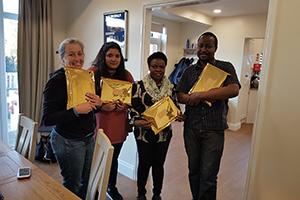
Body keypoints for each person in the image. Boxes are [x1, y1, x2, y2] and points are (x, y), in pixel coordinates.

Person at [176, 32, 241, 200]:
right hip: (191, 128)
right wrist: (189, 98)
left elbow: (234, 89)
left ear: (215, 48)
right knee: (194, 171)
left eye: (208, 46)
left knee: (209, 176)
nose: (204, 49)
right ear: (197, 47)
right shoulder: (189, 71)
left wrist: (202, 95)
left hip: (214, 129)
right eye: (201, 46)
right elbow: (180, 94)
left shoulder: (225, 68)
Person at [42, 38, 102, 199]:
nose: (77, 59)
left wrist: (98, 104)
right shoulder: (56, 81)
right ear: (62, 58)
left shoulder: (87, 76)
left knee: (86, 180)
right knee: (72, 184)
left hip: (88, 137)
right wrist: (75, 110)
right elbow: (47, 119)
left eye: (80, 53)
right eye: (71, 54)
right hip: (68, 140)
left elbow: (90, 110)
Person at [130, 52, 182, 200]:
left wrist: (178, 115)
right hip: (143, 134)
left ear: (165, 67)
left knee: (159, 165)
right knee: (144, 164)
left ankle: (157, 194)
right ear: (149, 67)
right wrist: (137, 121)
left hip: (164, 134)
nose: (158, 70)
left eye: (161, 66)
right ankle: (141, 194)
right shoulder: (139, 86)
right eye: (154, 66)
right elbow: (132, 109)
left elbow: (175, 107)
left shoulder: (171, 87)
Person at [91, 41, 134, 200]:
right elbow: (85, 98)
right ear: (103, 56)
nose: (114, 59)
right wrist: (102, 106)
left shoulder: (126, 75)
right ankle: (93, 189)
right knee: (95, 161)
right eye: (110, 55)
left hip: (118, 126)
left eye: (117, 56)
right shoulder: (93, 73)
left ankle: (111, 187)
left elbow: (131, 100)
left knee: (113, 160)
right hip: (98, 125)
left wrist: (124, 105)